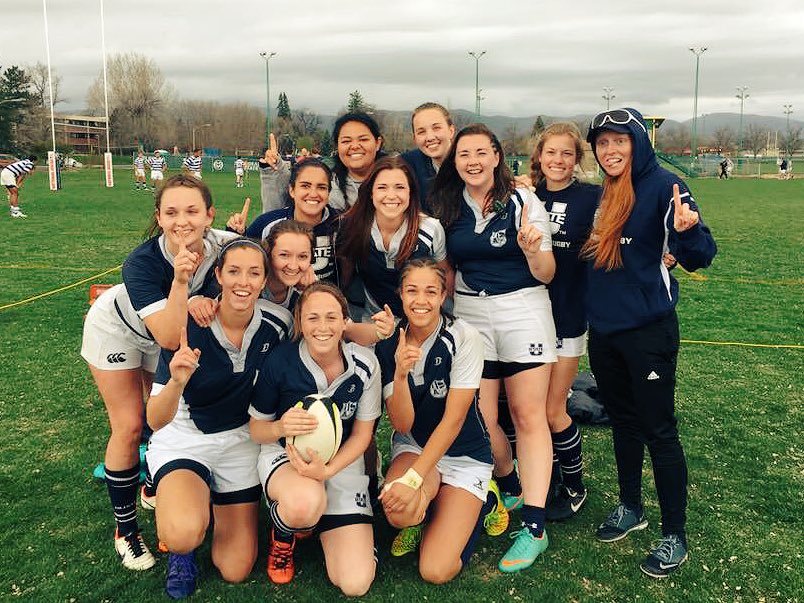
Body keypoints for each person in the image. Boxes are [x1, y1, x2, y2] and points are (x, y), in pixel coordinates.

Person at [583, 108, 716, 578]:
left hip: (648, 332)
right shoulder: (602, 193)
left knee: (658, 428)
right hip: (604, 332)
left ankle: (674, 534)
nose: (610, 150)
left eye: (620, 141)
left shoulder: (666, 187)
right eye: (602, 143)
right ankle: (630, 507)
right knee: (622, 422)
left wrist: (688, 233)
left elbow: (701, 257)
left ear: (639, 142)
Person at [81, 174, 235, 572]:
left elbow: (256, 265)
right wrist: (184, 281)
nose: (182, 220)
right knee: (131, 425)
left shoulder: (224, 245)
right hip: (121, 331)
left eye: (191, 211)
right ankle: (126, 530)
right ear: (159, 218)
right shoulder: (143, 261)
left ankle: (154, 483)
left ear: (209, 215)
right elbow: (167, 335)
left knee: (162, 419)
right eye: (171, 212)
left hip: (167, 333)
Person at [429, 123, 556, 573]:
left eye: (481, 152)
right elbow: (444, 268)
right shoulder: (446, 205)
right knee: (478, 416)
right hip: (470, 314)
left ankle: (535, 527)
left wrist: (532, 250)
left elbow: (546, 273)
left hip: (523, 309)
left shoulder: (522, 199)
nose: (473, 161)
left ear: (497, 156)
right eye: (464, 154)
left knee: (527, 416)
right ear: (455, 160)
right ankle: (510, 482)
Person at [146, 237, 293, 599]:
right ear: (218, 275)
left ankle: (202, 497)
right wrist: (176, 382)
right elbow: (154, 419)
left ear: (264, 281)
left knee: (236, 568)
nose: (243, 282)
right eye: (234, 272)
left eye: (254, 273)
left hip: (240, 439)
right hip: (186, 436)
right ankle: (181, 544)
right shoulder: (187, 324)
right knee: (182, 532)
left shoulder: (279, 323)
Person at [375, 259, 508, 583]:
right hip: (415, 447)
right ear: (401, 295)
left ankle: (486, 499)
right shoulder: (390, 342)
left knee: (435, 570)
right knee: (399, 513)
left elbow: (454, 420)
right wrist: (401, 374)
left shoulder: (464, 337)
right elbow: (403, 424)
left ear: (443, 294)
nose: (421, 300)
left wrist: (411, 481)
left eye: (431, 292)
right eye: (412, 291)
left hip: (463, 453)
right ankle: (424, 511)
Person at [248, 282, 381, 596]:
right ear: (300, 321)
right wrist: (281, 427)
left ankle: (331, 526)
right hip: (287, 460)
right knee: (305, 504)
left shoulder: (365, 364)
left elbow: (363, 436)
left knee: (355, 583)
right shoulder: (280, 361)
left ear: (344, 321)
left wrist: (329, 472)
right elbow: (257, 429)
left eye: (332, 317)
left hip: (340, 464)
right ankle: (285, 534)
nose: (323, 327)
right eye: (313, 318)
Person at [530, 122, 601, 521]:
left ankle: (574, 486)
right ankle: (545, 477)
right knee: (526, 410)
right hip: (526, 318)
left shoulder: (592, 197)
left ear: (576, 160)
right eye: (551, 152)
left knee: (553, 409)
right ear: (539, 155)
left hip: (567, 315)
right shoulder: (525, 195)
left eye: (567, 154)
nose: (558, 160)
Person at [336, 155, 450, 321]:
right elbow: (345, 277)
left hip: (422, 320)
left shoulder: (429, 229)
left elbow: (445, 273)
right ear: (371, 192)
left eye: (399, 187)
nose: (391, 195)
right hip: (374, 321)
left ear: (410, 192)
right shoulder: (353, 227)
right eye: (382, 187)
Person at [231, 158, 340, 283]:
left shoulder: (343, 224)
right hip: (277, 301)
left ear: (328, 192)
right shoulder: (267, 223)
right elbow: (236, 260)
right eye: (305, 186)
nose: (313, 193)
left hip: (326, 300)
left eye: (321, 187)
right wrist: (236, 234)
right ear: (292, 190)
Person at [401, 102, 456, 212]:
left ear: (451, 131)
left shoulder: (470, 164)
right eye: (421, 132)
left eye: (436, 128)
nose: (430, 137)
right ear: (415, 139)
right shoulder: (407, 164)